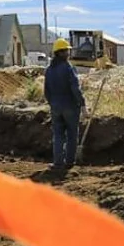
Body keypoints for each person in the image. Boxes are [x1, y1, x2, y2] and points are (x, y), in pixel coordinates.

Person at [44, 38, 85, 173]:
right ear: (61, 52)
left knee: (58, 135)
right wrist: (82, 103)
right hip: (70, 107)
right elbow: (75, 88)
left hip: (55, 106)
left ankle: (58, 162)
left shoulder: (49, 70)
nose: (68, 52)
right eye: (67, 50)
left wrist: (53, 104)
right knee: (72, 134)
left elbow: (47, 91)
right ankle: (69, 162)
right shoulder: (68, 68)